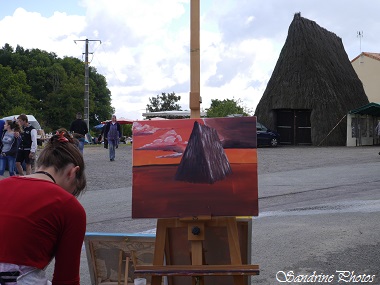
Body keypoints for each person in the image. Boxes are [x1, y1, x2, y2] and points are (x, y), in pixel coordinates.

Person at [0, 130, 87, 284]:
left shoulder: (3, 185)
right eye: (73, 191)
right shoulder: (68, 206)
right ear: (73, 173)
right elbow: (66, 279)